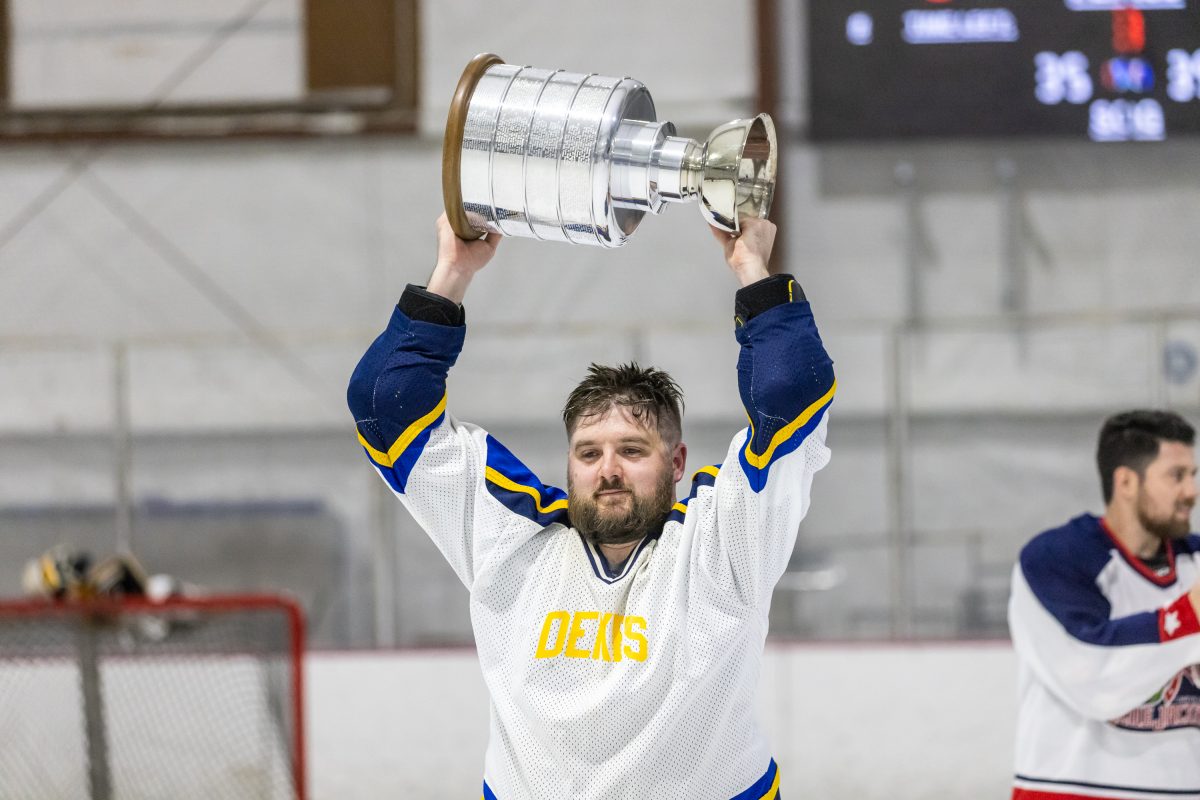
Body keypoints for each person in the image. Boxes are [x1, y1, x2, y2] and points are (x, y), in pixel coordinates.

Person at [347, 213, 835, 799]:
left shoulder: (721, 543)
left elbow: (791, 393)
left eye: (632, 450)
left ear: (676, 462)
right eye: (589, 452)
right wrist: (452, 271)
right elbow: (384, 405)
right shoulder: (513, 538)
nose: (607, 470)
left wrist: (752, 268)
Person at [1008, 410, 1200, 800]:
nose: (1191, 491)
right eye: (1176, 476)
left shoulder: (1193, 561)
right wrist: (1188, 617)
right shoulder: (1054, 559)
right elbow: (1091, 672)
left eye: (1193, 475)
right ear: (1126, 481)